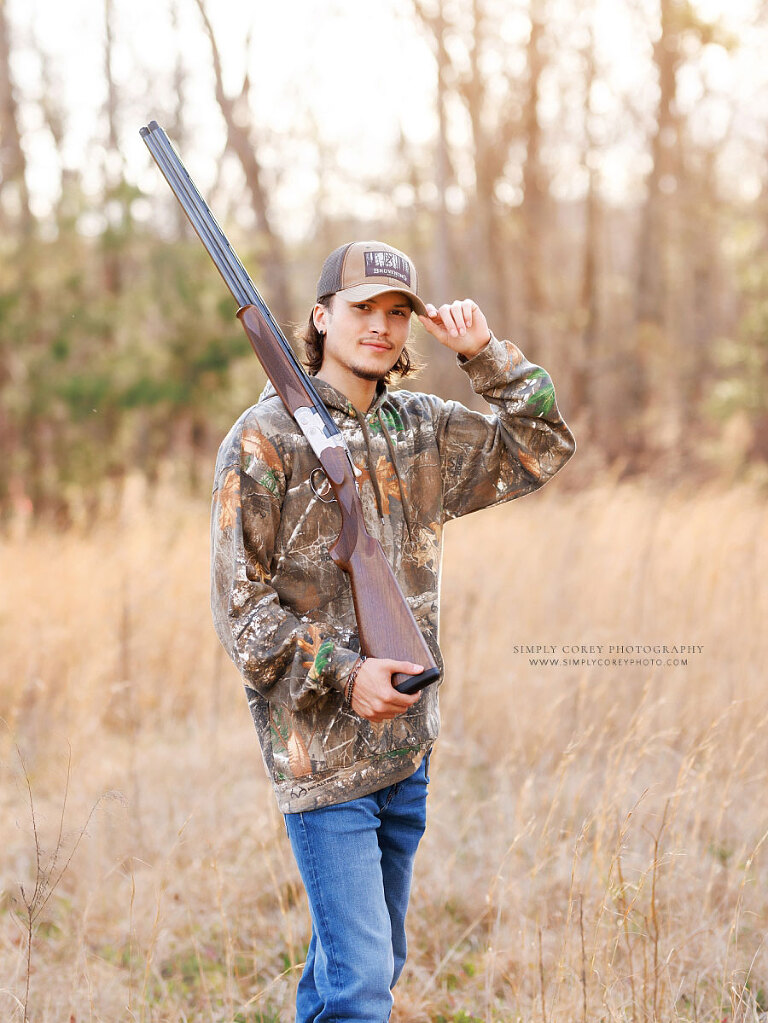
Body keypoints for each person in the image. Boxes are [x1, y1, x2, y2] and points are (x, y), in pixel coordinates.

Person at [210, 240, 575, 1022]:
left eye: (397, 312)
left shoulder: (425, 429)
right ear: (320, 317)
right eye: (361, 308)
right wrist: (345, 672)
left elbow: (541, 448)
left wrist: (486, 358)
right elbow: (240, 611)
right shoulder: (263, 438)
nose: (380, 326)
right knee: (362, 982)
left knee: (367, 965)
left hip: (408, 746)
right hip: (324, 758)